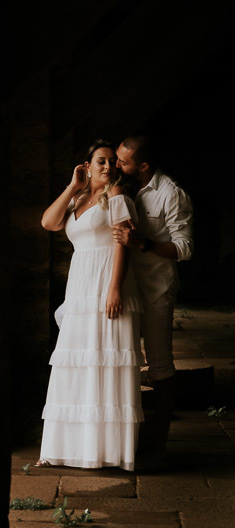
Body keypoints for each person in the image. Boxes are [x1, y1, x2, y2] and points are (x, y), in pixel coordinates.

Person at [35, 139, 144, 470]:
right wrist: (73, 186)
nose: (109, 167)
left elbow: (122, 245)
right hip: (80, 288)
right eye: (101, 161)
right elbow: (49, 223)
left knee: (107, 361)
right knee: (77, 363)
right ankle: (67, 449)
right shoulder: (80, 197)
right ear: (87, 165)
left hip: (107, 282)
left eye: (113, 161)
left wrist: (115, 289)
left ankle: (108, 452)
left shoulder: (117, 198)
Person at [113, 135, 194, 462]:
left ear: (143, 166)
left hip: (156, 290)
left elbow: (185, 248)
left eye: (123, 161)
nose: (117, 165)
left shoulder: (171, 194)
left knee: (159, 365)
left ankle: (159, 443)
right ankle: (126, 438)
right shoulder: (123, 188)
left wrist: (143, 243)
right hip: (124, 288)